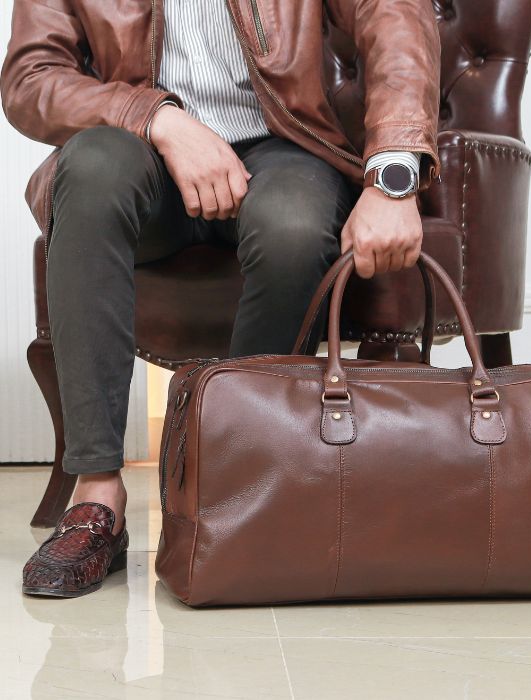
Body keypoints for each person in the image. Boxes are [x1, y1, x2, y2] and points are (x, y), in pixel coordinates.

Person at [1, 0, 441, 598]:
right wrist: (159, 119)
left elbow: (393, 16)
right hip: (138, 150)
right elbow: (30, 81)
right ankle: (96, 493)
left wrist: (393, 172)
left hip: (282, 144)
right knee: (93, 166)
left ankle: (239, 489)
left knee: (293, 223)